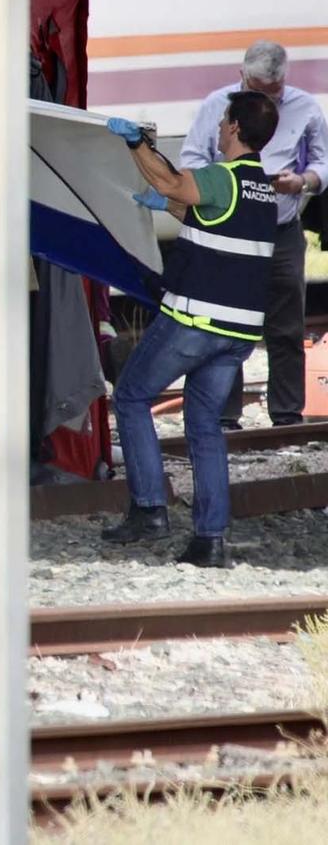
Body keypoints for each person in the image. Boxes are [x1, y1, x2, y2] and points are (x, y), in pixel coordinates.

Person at [104, 92, 281, 568]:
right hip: (238, 334)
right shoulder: (260, 189)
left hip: (195, 320)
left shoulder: (222, 176)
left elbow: (173, 181)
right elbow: (201, 213)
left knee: (131, 397)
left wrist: (137, 146)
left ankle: (148, 508)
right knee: (204, 426)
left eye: (225, 120)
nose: (220, 127)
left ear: (237, 128)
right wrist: (164, 203)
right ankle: (210, 539)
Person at [178, 40, 326, 430]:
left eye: (270, 94)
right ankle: (225, 416)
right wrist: (225, 184)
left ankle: (287, 415)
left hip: (281, 229)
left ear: (283, 84)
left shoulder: (306, 108)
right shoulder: (217, 106)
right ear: (241, 74)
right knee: (224, 322)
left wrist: (302, 182)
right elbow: (192, 159)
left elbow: (322, 163)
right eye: (254, 91)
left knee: (287, 325)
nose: (262, 100)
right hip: (232, 230)